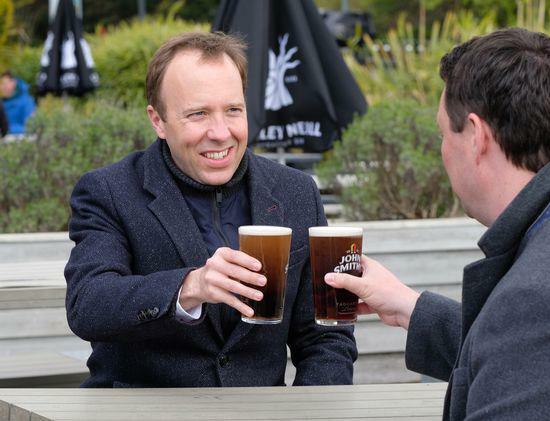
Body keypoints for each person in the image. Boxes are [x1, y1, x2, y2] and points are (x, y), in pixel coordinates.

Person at [325, 27, 550, 419]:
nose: (443, 151)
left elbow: (534, 338)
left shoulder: (541, 300)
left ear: (476, 137)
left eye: (443, 133)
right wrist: (410, 308)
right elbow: (526, 360)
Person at [64, 32, 357, 388]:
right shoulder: (108, 191)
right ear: (158, 121)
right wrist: (190, 287)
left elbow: (327, 338)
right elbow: (89, 305)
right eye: (198, 114)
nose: (220, 132)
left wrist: (311, 411)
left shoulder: (297, 191)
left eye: (233, 110)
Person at [0, 71, 36, 135]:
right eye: (1, 84)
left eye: (5, 83)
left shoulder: (27, 102)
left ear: (14, 82)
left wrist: (6, 129)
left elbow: (30, 127)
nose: (3, 87)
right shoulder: (2, 102)